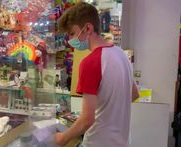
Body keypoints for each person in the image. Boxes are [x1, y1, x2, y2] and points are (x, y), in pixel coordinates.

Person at [55, 2, 139, 147]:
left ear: (88, 28)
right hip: (122, 141)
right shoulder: (121, 54)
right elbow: (134, 94)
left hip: (98, 142)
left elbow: (87, 120)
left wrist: (63, 138)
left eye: (72, 33)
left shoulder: (90, 62)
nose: (70, 41)